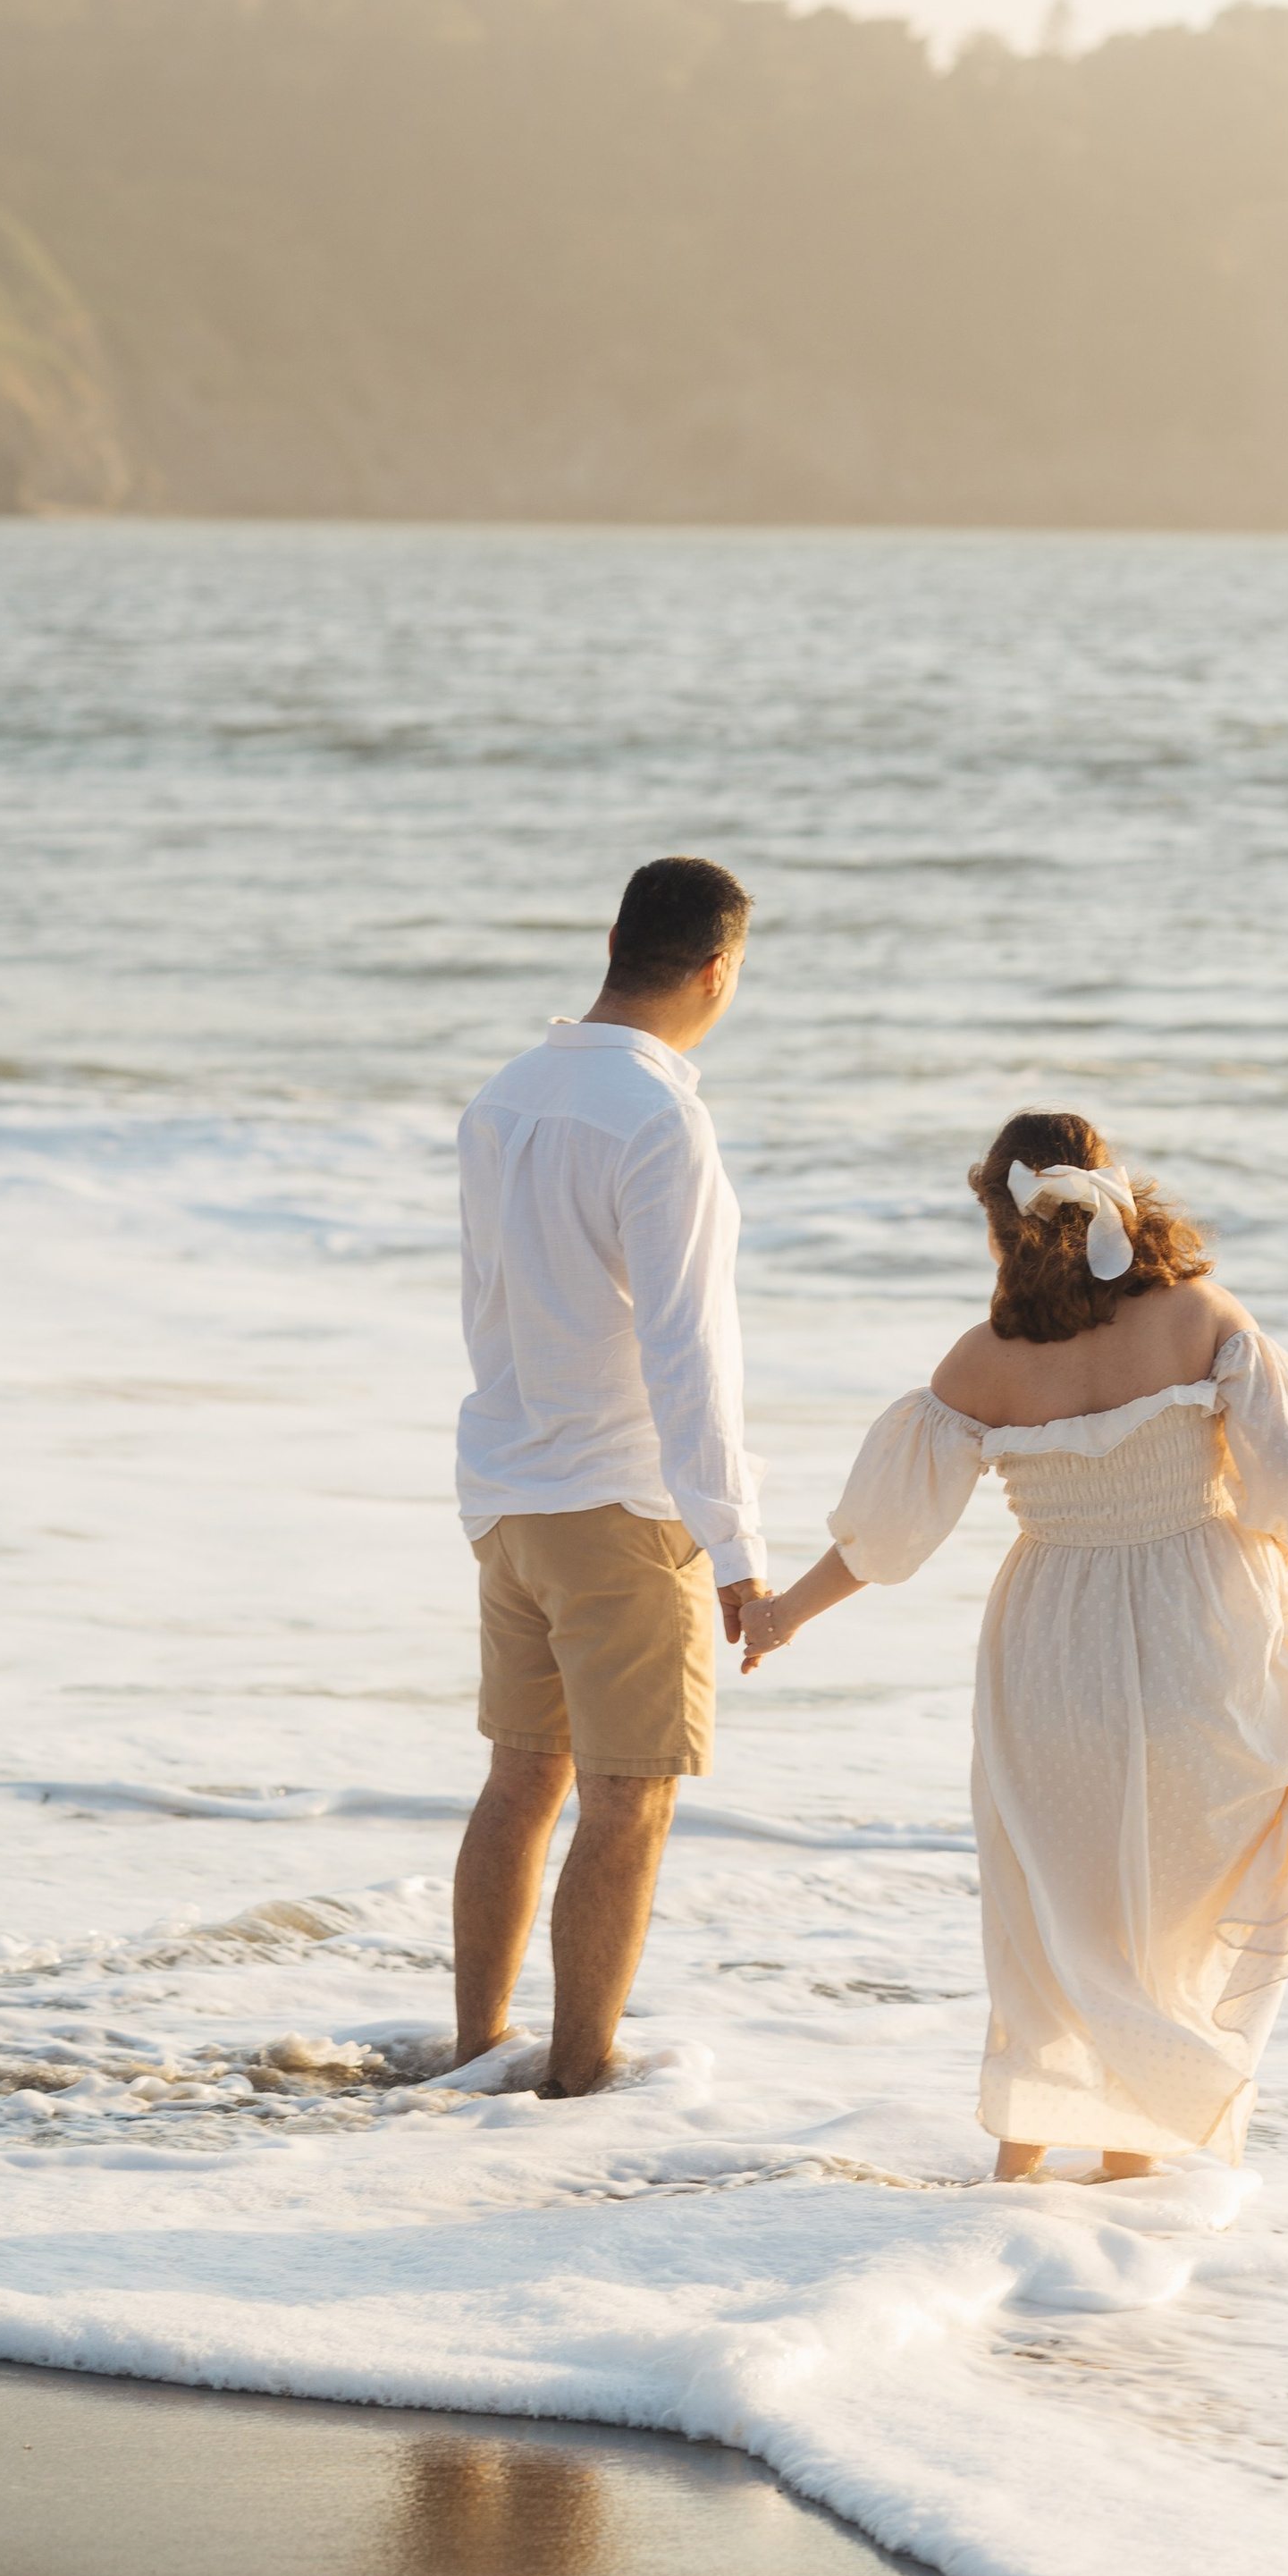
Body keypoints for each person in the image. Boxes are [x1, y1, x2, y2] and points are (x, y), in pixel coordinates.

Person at [737, 1111, 1288, 2181]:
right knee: (1169, 1903)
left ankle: (1020, 2168)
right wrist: (1234, 1543)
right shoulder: (1196, 1318)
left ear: (1001, 1223)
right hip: (1202, 1624)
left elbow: (888, 1535)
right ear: (1113, 1192)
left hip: (1051, 1645)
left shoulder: (984, 1364)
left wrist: (782, 1614)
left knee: (1045, 1905)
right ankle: (1131, 2169)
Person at [447, 856, 768, 2098]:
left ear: (615, 942)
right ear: (716, 970)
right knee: (629, 1799)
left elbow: (490, 1304)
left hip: (510, 1488)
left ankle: (478, 2055)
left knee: (523, 1778)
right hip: (623, 1500)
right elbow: (690, 1348)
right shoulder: (660, 1117)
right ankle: (575, 2087)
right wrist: (733, 1542)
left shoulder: (507, 1095)